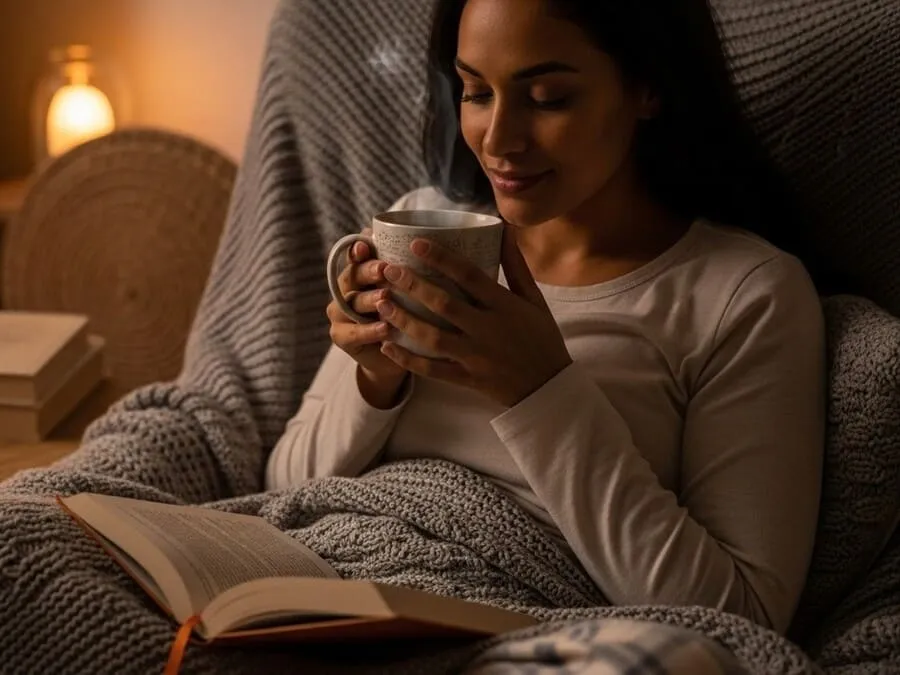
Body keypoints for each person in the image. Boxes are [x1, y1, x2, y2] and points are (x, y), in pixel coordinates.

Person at [266, 0, 825, 636]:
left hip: (524, 633)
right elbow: (288, 488)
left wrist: (539, 390)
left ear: (648, 87)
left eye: (549, 99)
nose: (498, 140)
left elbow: (739, 618)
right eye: (476, 92)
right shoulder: (424, 228)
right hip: (323, 596)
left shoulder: (743, 295)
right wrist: (374, 380)